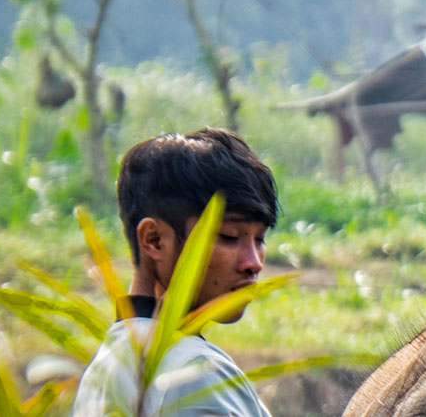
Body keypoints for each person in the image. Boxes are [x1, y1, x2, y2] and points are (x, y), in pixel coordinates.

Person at [73, 128, 277, 417]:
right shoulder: (194, 373)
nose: (253, 262)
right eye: (229, 236)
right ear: (153, 240)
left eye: (260, 239)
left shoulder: (107, 365)